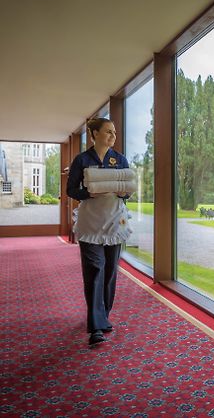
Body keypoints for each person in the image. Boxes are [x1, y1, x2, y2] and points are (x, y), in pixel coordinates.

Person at [67, 117, 132, 345]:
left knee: (110, 272)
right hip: (91, 223)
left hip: (115, 222)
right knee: (95, 269)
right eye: (108, 132)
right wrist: (88, 194)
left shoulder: (120, 159)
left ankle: (103, 316)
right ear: (94, 134)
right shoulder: (82, 160)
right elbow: (71, 190)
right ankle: (96, 327)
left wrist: (125, 193)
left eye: (114, 132)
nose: (113, 136)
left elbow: (127, 189)